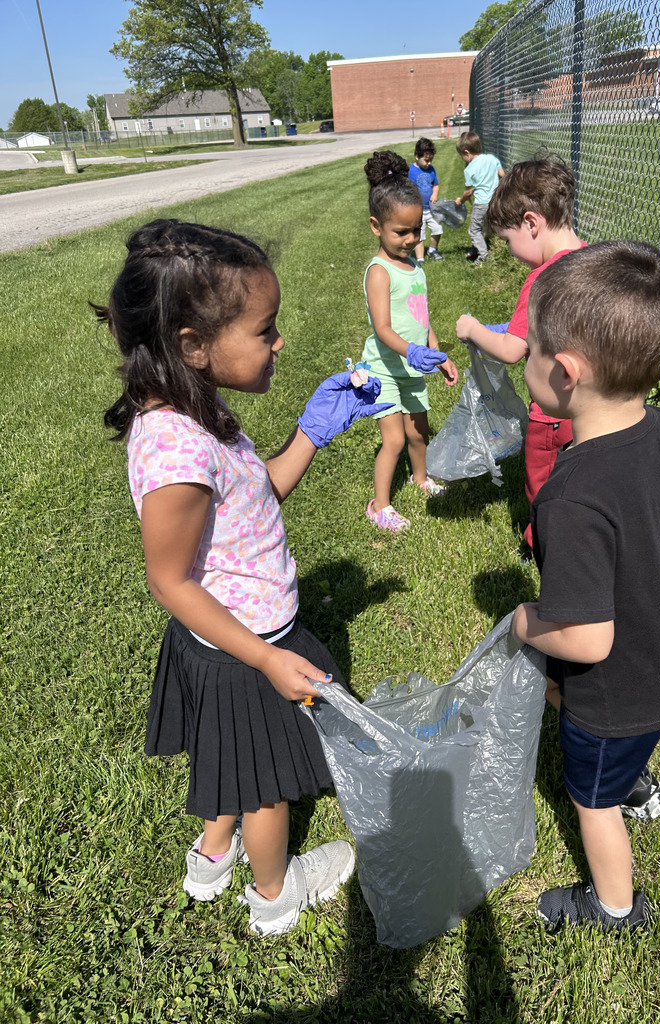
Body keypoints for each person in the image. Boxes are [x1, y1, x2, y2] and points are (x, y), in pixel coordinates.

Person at [97, 219, 392, 936]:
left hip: (232, 643)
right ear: (193, 346)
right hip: (242, 649)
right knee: (264, 784)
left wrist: (312, 433)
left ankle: (210, 855)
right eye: (266, 330)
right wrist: (265, 657)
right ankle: (274, 894)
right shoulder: (174, 450)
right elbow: (169, 581)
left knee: (227, 758)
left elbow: (256, 498)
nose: (280, 342)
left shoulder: (199, 408)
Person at [510, 241, 660, 932]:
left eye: (532, 346)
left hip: (615, 691)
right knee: (634, 744)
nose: (527, 355)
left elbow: (589, 637)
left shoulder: (571, 492)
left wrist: (527, 622)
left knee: (590, 800)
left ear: (564, 373)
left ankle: (614, 907)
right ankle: (641, 784)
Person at [456, 155, 583, 550]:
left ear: (531, 223)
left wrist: (474, 330)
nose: (510, 251)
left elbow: (512, 350)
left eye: (508, 240)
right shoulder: (592, 259)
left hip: (550, 414)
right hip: (590, 407)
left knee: (542, 486)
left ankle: (541, 542)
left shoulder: (541, 279)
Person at [362, 151, 459, 533]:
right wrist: (413, 351)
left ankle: (421, 480)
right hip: (385, 369)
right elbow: (383, 329)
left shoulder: (415, 266)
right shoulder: (379, 272)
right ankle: (380, 505)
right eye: (400, 232)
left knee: (419, 432)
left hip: (413, 365)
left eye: (416, 230)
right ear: (376, 226)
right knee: (395, 441)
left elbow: (422, 317)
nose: (410, 239)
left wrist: (437, 354)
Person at [454, 131, 504, 265]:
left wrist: (460, 200)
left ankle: (483, 255)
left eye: (461, 156)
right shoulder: (492, 159)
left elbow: (469, 192)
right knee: (486, 226)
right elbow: (502, 174)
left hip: (481, 203)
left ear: (466, 152)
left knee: (474, 229)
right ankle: (476, 248)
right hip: (495, 200)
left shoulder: (469, 169)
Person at [408, 136, 443, 263]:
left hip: (431, 208)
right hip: (417, 210)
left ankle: (433, 250)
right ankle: (420, 258)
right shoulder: (409, 171)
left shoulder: (431, 170)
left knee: (437, 229)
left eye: (431, 160)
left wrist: (435, 194)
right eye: (426, 160)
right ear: (417, 156)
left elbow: (436, 184)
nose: (429, 163)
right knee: (420, 235)